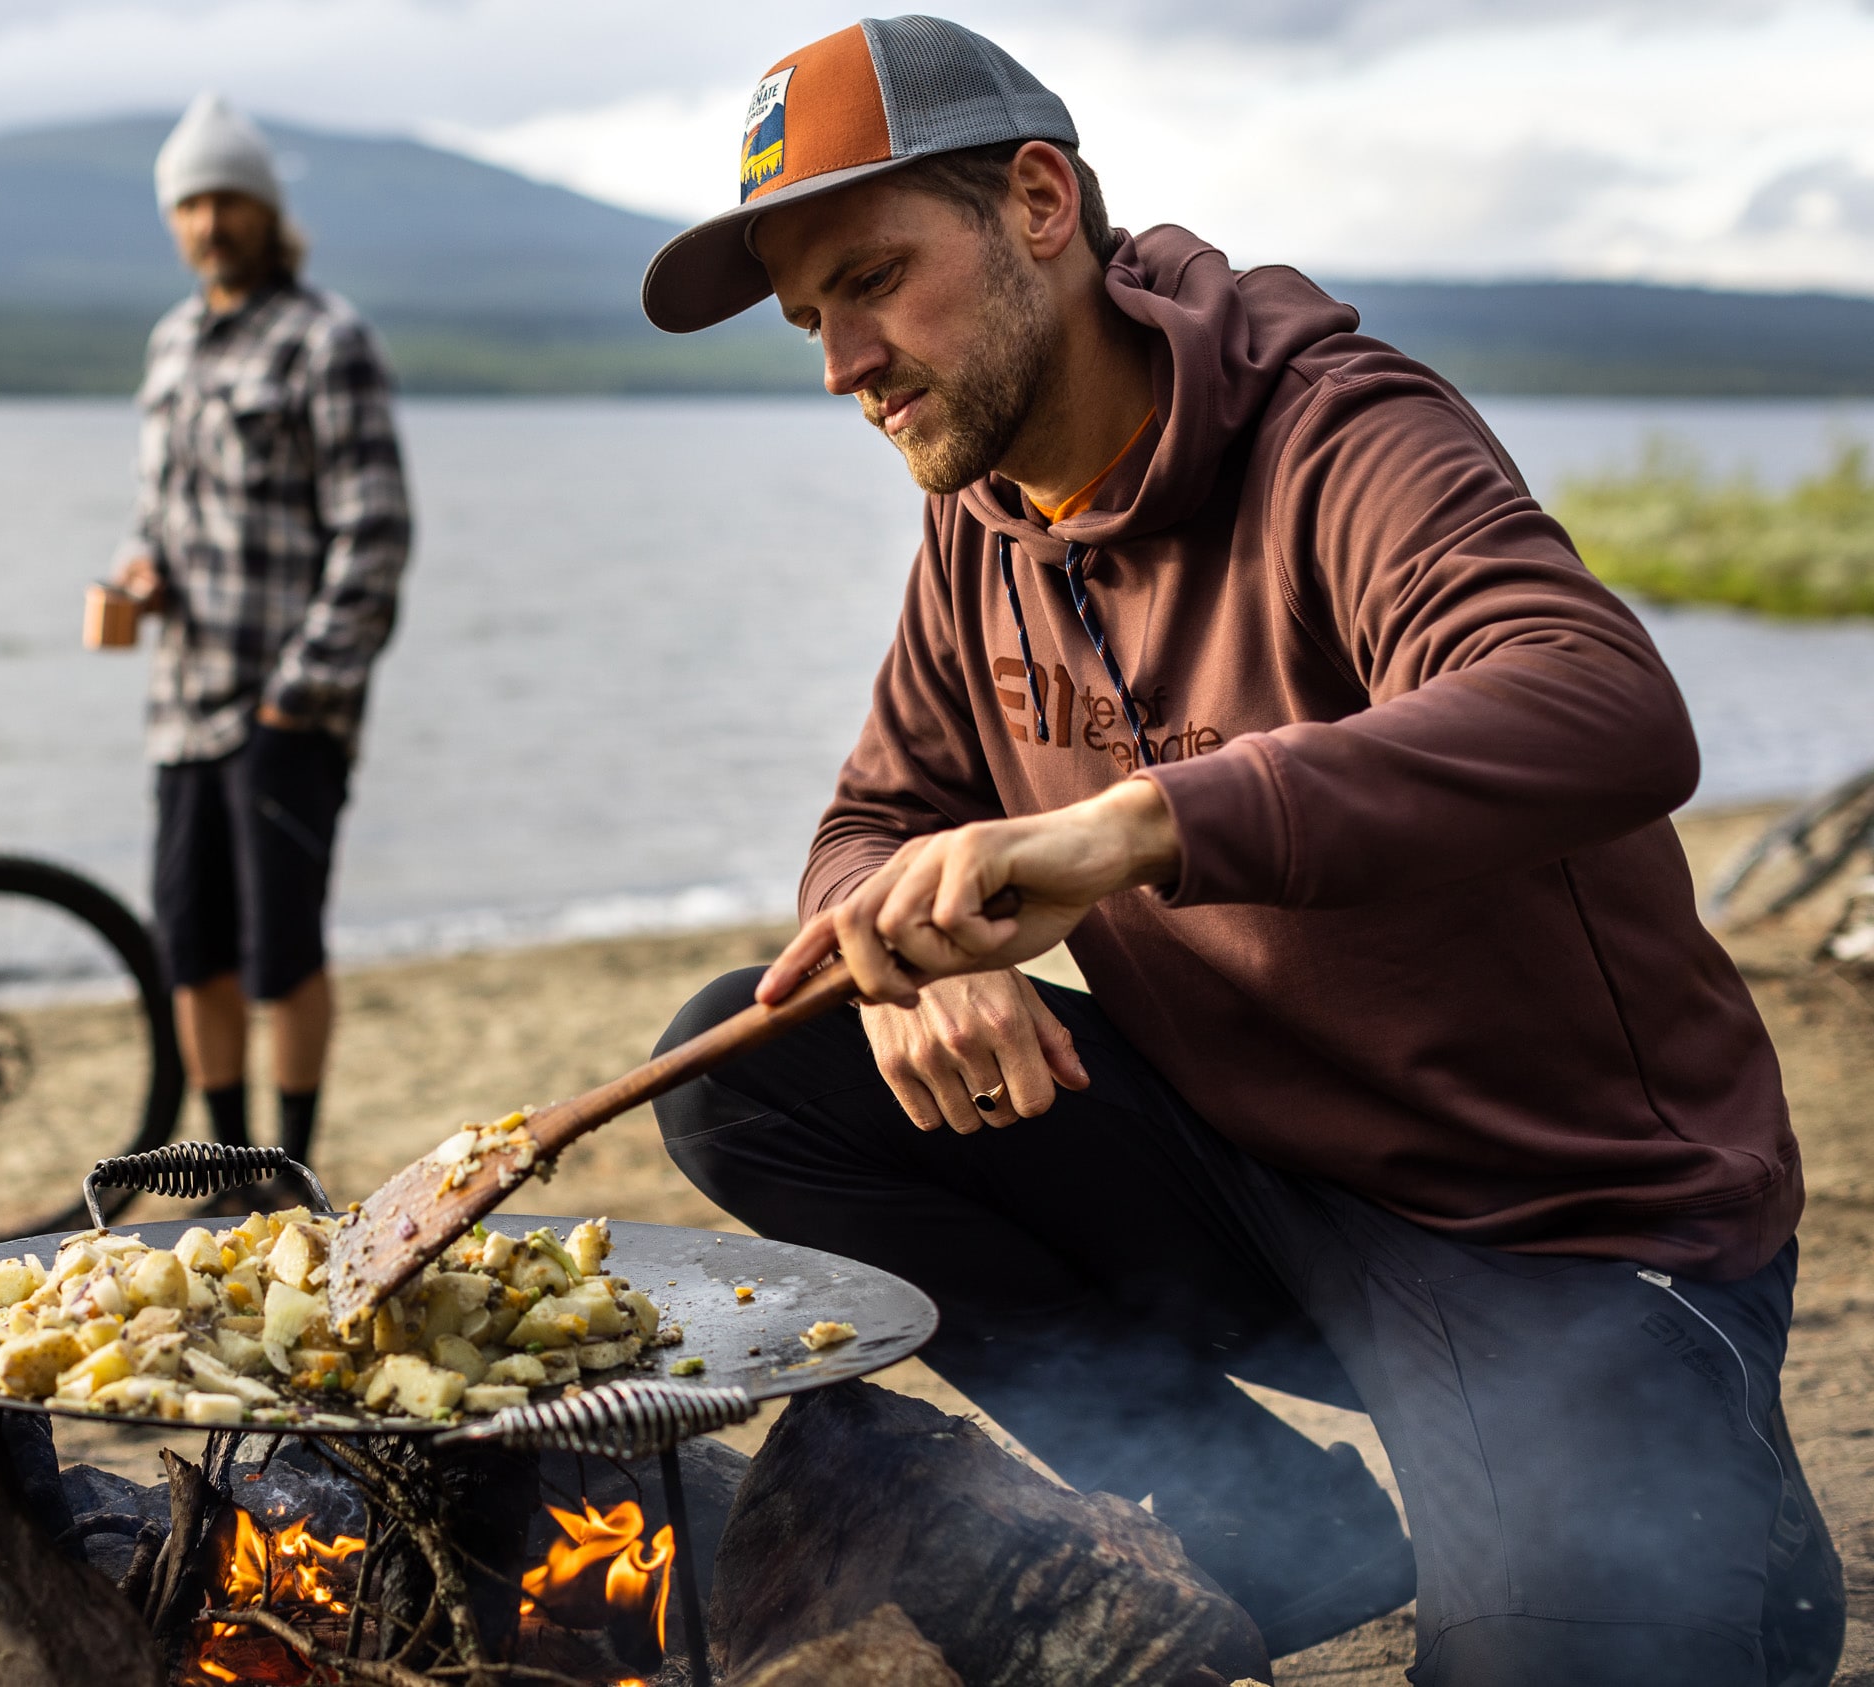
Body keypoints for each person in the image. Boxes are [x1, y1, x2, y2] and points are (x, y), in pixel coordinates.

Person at [638, 18, 1839, 1685]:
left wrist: (1144, 827)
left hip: (1554, 1238)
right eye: (811, 317)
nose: (844, 359)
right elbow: (869, 825)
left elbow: (1607, 704)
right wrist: (895, 954)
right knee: (737, 1057)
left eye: (873, 278)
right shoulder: (985, 518)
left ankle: (1702, 1495)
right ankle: (1265, 1523)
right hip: (1256, 1186)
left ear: (1041, 201)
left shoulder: (1337, 434)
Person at [110, 96, 412, 1174]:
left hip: (285, 708)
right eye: (189, 204)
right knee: (192, 951)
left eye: (226, 199)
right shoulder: (171, 343)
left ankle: (292, 1167)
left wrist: (299, 693)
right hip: (179, 705)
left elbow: (375, 537)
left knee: (279, 954)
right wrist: (137, 570)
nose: (208, 222)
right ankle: (228, 1170)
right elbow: (160, 514)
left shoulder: (328, 340)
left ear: (266, 208)